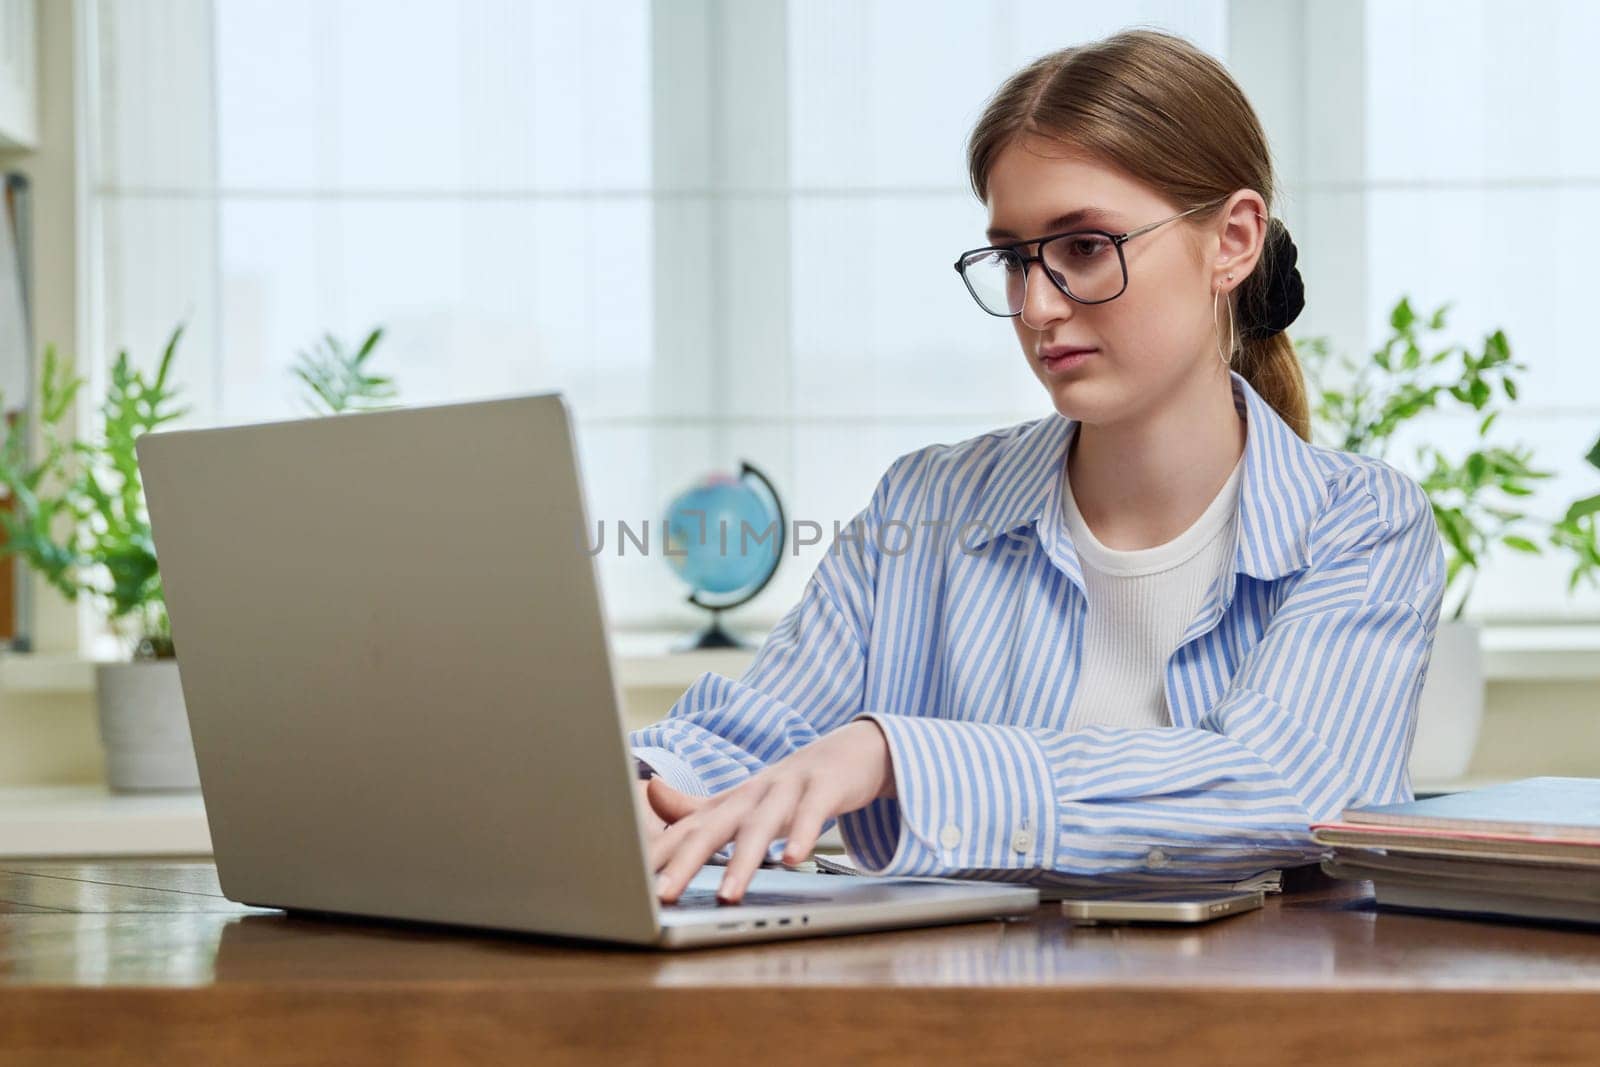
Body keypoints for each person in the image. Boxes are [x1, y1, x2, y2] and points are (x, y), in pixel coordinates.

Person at [630, 28, 1446, 907]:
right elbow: (761, 732)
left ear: (1233, 241)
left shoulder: (1363, 523)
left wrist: (899, 756)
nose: (1037, 305)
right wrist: (644, 791)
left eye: (1086, 247)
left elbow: (1291, 787)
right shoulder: (929, 502)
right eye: (1015, 258)